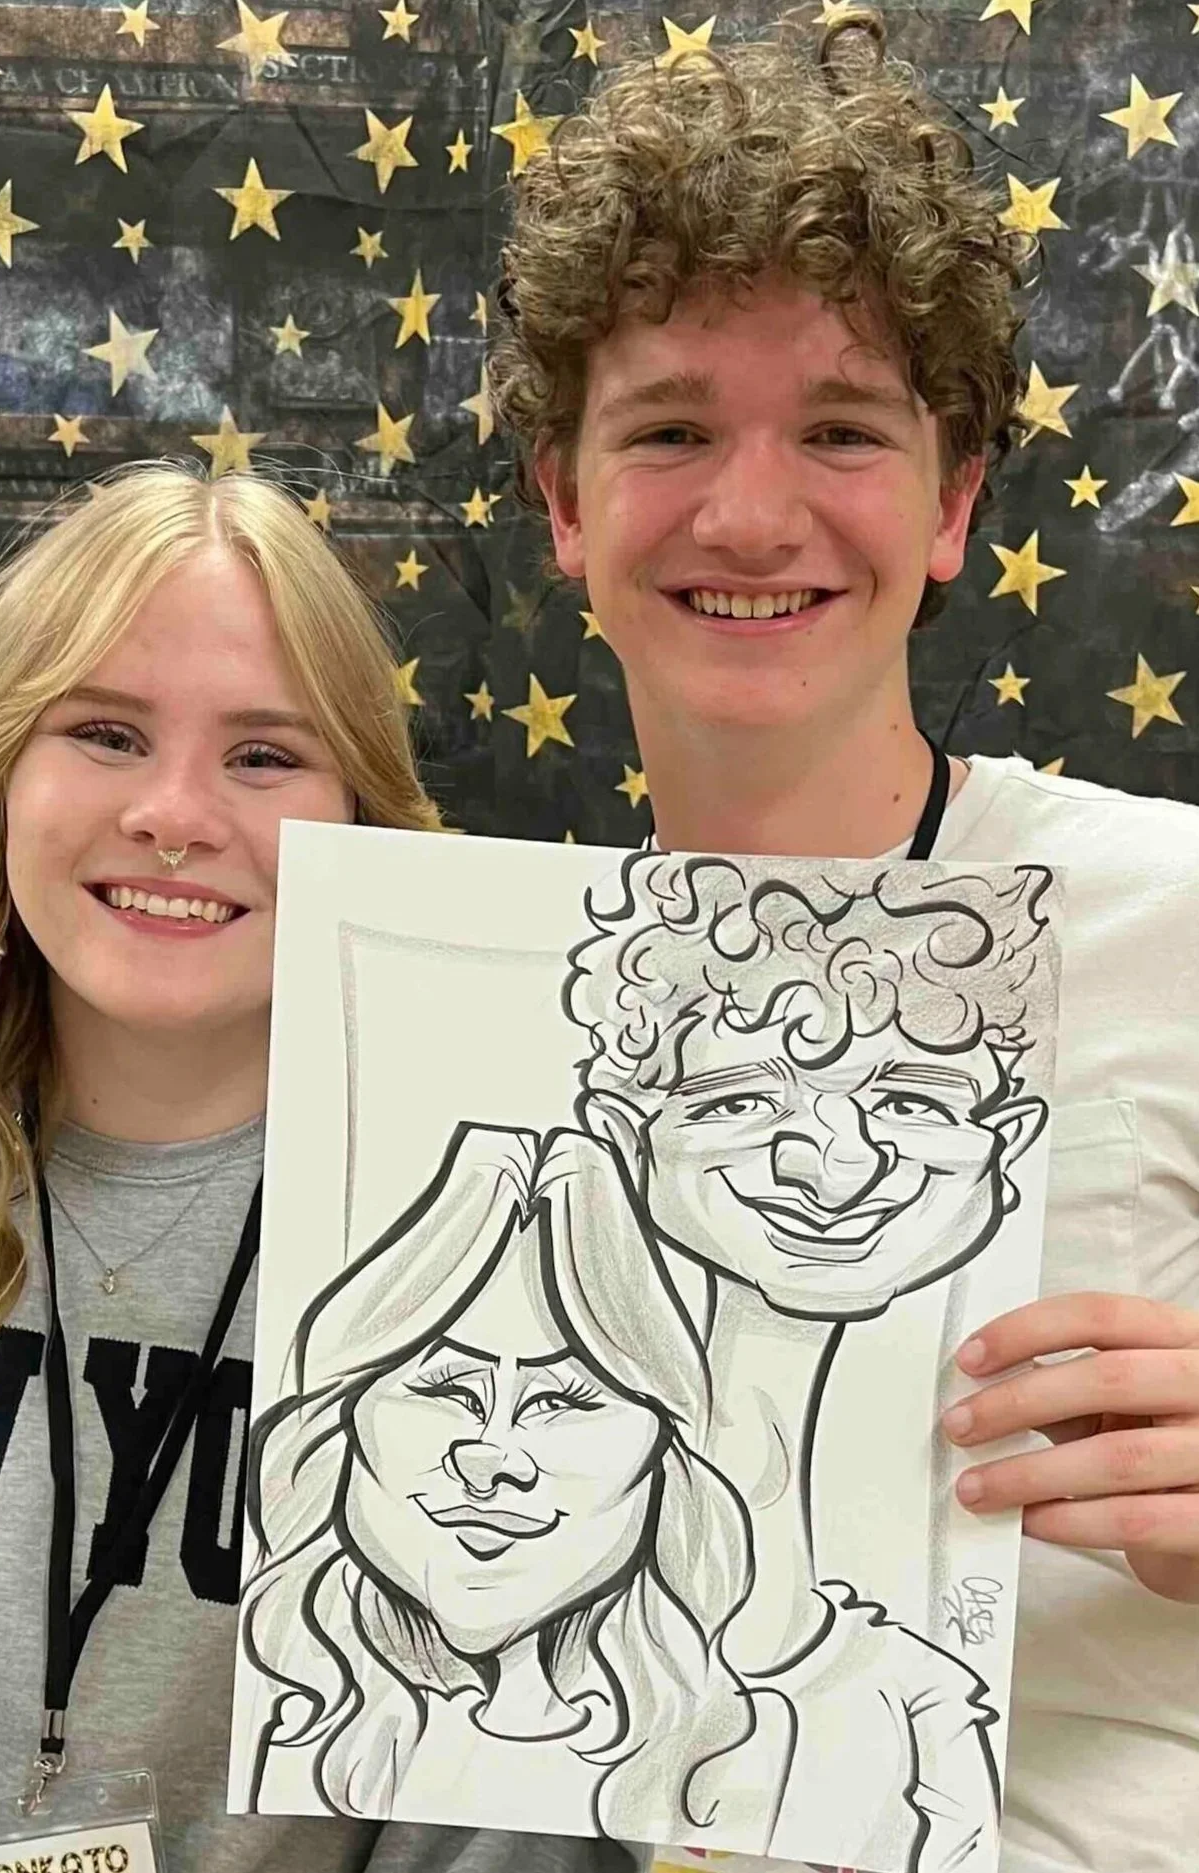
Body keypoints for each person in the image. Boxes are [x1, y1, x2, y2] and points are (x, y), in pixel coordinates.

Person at [489, 9, 1199, 1873]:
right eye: (669, 430)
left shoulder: (1178, 914)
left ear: (951, 504)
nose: (749, 513)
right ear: (564, 501)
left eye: (840, 430)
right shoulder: (480, 1019)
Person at [0, 461, 629, 1873]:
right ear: (0, 776)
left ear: (362, 818)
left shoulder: (510, 1240)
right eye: (105, 733)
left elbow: (512, 1797)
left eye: (263, 756)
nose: (174, 813)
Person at [564, 852, 1052, 1870]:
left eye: (911, 1103)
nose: (834, 1163)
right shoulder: (516, 1619)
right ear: (622, 1135)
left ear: (1005, 1141)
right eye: (738, 1101)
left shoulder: (912, 1715)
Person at [237, 1123, 791, 1851]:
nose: (490, 1456)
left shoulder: (757, 1752)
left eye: (562, 1400)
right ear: (344, 1421)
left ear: (663, 1454)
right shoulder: (296, 1710)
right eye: (444, 1387)